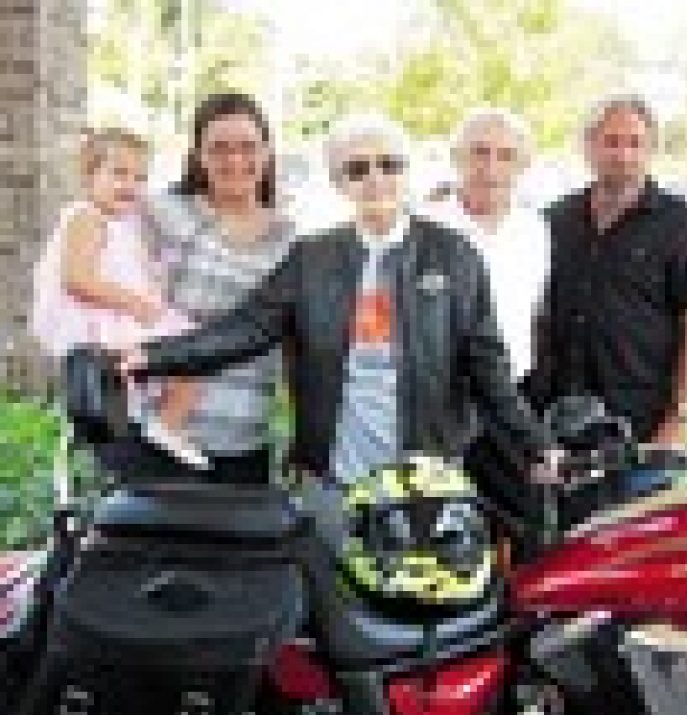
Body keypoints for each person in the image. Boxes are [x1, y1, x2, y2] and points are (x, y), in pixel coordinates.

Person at [118, 113, 551, 534]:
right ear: (339, 182)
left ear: (407, 172)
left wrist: (537, 443)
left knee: (412, 598)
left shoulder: (453, 254)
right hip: (333, 475)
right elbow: (244, 330)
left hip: (424, 476)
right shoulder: (313, 257)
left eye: (389, 165)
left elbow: (489, 367)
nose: (375, 179)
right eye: (357, 169)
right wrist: (149, 357)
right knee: (330, 593)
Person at [526, 95, 687, 465]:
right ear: (588, 147)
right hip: (556, 422)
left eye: (635, 143)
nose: (623, 154)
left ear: (651, 150)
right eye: (611, 141)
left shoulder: (680, 225)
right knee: (561, 523)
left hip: (640, 426)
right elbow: (536, 314)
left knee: (632, 521)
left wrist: (680, 419)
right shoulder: (555, 220)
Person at [141, 91, 296, 485]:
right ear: (198, 155)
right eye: (219, 148)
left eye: (248, 147)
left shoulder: (290, 238)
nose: (234, 160)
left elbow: (296, 339)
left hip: (245, 439)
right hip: (156, 434)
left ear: (267, 153)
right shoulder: (162, 212)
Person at [30, 126, 205, 468]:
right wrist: (134, 302)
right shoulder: (88, 218)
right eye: (119, 174)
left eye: (140, 178)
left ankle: (159, 427)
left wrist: (150, 287)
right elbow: (77, 278)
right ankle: (166, 426)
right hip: (98, 317)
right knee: (191, 354)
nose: (131, 185)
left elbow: (135, 267)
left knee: (186, 357)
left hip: (116, 313)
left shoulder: (122, 223)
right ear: (89, 175)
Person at [422, 108, 549, 381]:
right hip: (436, 392)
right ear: (457, 157)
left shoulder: (535, 229)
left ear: (523, 166)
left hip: (512, 389)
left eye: (506, 156)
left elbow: (535, 314)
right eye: (480, 152)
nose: (491, 168)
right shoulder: (420, 228)